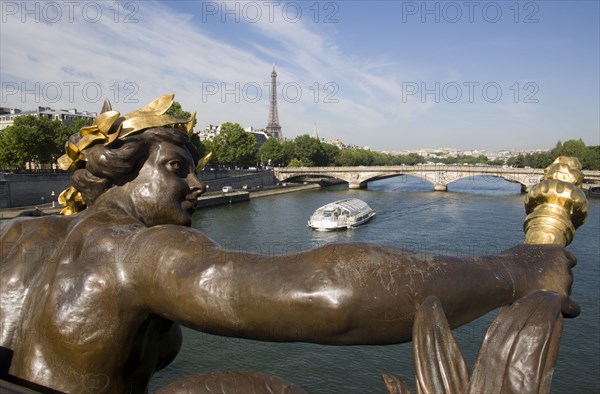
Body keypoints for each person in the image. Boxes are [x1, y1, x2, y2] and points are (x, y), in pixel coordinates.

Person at [0, 96, 578, 393]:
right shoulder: (133, 251)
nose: (198, 184)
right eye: (177, 167)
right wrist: (515, 269)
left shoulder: (24, 233)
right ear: (121, 170)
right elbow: (329, 294)